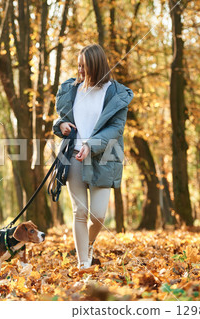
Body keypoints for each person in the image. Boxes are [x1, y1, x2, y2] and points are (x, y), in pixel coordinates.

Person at [52, 44, 134, 269]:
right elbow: (59, 119)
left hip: (103, 157)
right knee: (80, 212)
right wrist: (61, 125)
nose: (79, 70)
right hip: (73, 157)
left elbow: (116, 129)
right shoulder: (71, 89)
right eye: (78, 65)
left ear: (96, 67)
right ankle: (83, 263)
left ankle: (88, 244)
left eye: (84, 67)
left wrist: (91, 145)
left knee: (98, 215)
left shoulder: (116, 94)